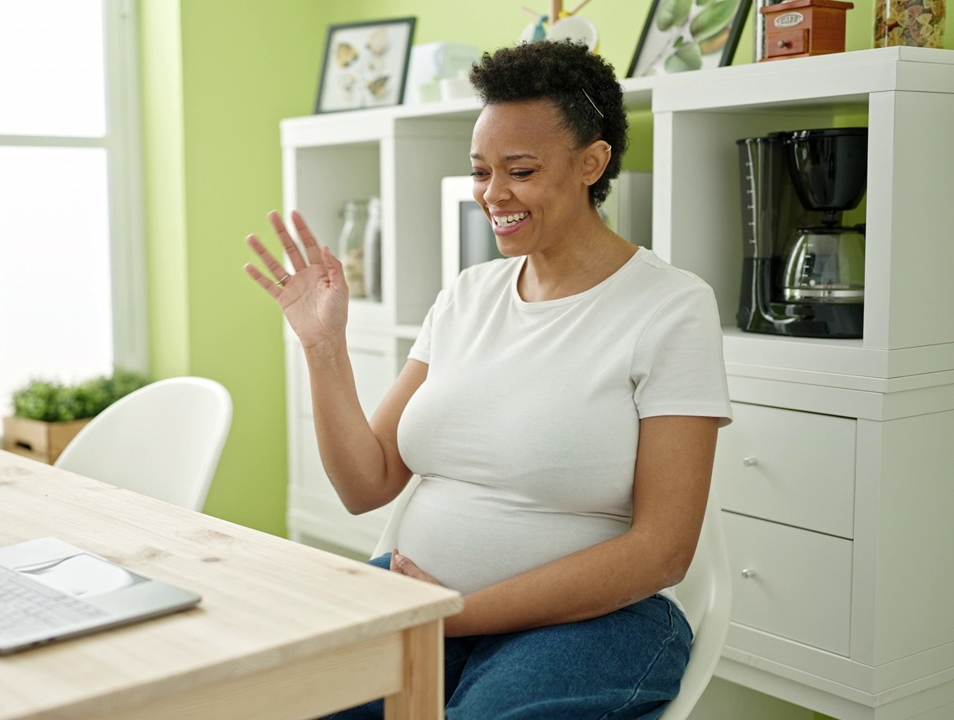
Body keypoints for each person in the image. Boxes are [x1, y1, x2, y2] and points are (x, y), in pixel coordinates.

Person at [243, 40, 730, 720]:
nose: (492, 195)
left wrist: (454, 616)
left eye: (520, 170)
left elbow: (661, 553)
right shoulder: (467, 296)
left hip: (594, 627)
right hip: (426, 605)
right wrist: (324, 347)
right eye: (479, 172)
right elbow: (367, 483)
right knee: (258, 696)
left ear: (593, 161)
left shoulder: (670, 307)